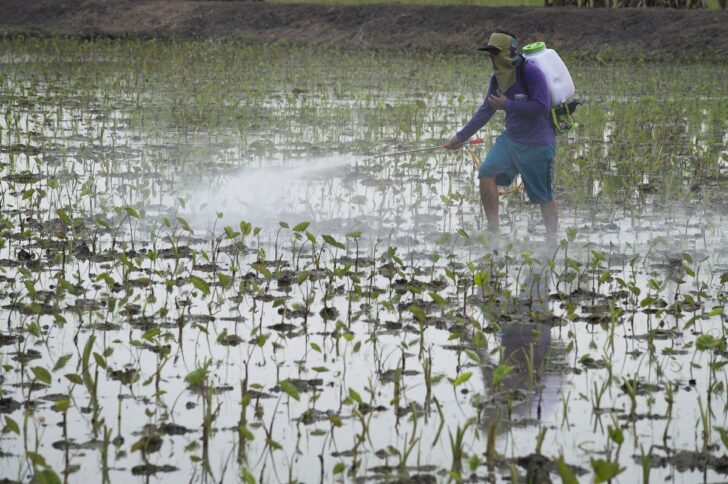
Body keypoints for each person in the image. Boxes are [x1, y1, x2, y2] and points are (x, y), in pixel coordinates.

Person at [444, 30, 558, 238]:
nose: (492, 57)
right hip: (511, 141)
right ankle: (494, 232)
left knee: (544, 196)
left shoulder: (531, 73)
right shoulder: (497, 79)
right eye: (489, 52)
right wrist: (460, 137)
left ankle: (553, 242)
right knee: (486, 173)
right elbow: (486, 110)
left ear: (508, 52)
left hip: (537, 144)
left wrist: (508, 104)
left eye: (495, 52)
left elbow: (542, 107)